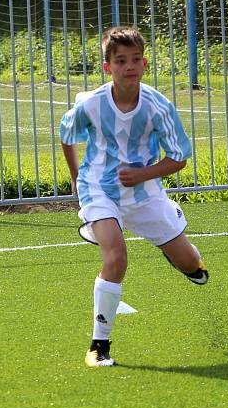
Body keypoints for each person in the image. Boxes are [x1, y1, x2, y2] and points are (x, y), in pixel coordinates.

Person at [60, 25, 208, 367]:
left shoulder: (158, 107)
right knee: (116, 256)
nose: (129, 66)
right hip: (99, 187)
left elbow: (179, 157)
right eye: (121, 60)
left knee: (194, 269)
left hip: (144, 193)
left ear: (144, 65)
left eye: (136, 59)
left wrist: (144, 174)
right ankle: (99, 346)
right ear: (107, 67)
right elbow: (66, 133)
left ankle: (172, 228)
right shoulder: (93, 104)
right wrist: (76, 176)